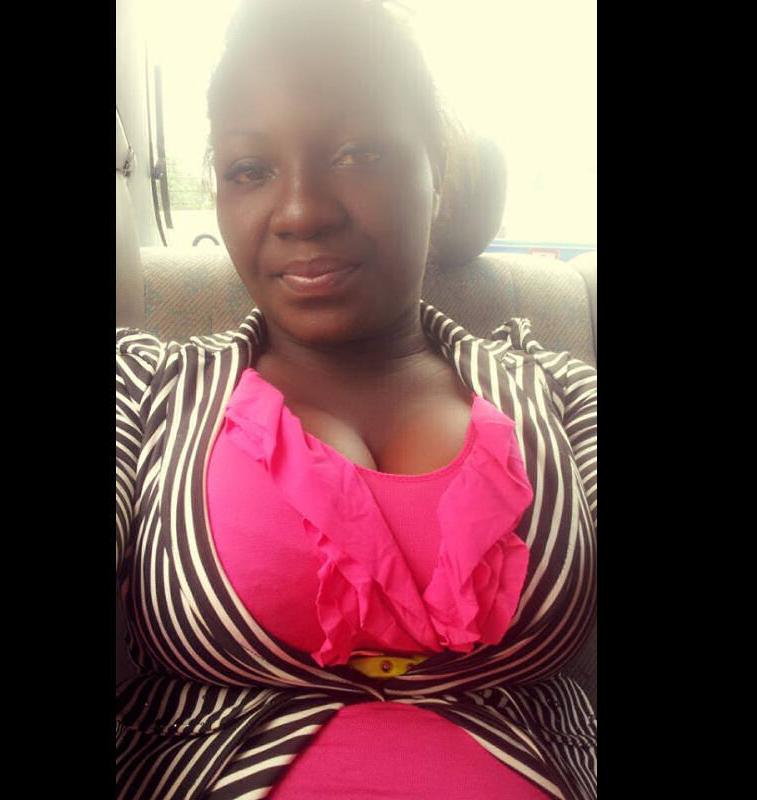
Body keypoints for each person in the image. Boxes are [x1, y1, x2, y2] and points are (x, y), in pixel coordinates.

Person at [115, 1, 597, 798]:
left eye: (358, 154)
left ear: (437, 175)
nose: (302, 210)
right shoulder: (146, 394)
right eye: (250, 170)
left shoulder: (564, 397)